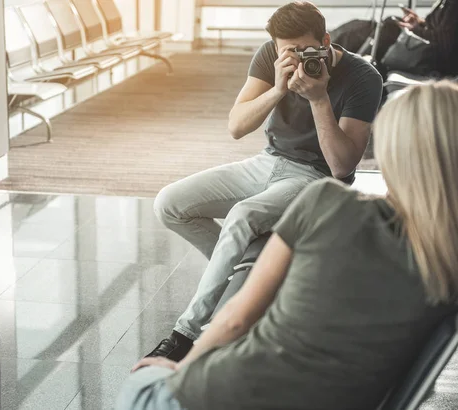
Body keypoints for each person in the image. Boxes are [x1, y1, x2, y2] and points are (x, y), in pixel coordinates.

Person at [116, 80, 458, 410]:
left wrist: (181, 366)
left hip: (222, 394)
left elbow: (236, 320)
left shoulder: (328, 202)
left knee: (142, 380)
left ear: (393, 153)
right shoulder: (448, 262)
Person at [148, 1, 382, 361]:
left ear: (326, 40)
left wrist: (319, 99)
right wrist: (278, 89)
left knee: (243, 216)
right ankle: (255, 282)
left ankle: (186, 334)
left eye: (307, 49)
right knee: (169, 203)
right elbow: (237, 126)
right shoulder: (270, 56)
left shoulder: (364, 77)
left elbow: (341, 167)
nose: (299, 56)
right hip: (266, 162)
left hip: (317, 179)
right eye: (288, 50)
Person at [331, 0, 458, 76]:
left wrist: (414, 29)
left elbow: (445, 42)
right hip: (429, 50)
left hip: (436, 60)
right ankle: (341, 59)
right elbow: (439, 28)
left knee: (388, 26)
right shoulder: (445, 3)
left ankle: (347, 65)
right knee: (364, 27)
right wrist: (419, 22)